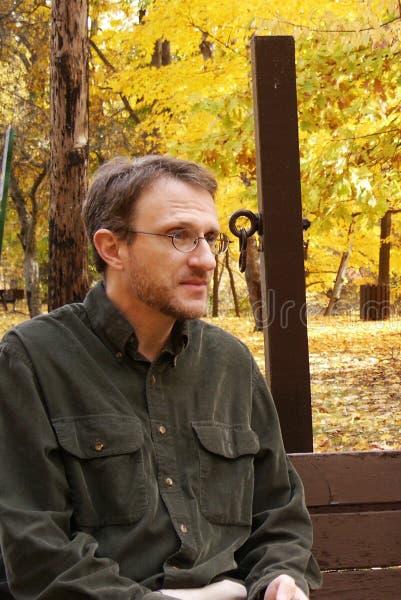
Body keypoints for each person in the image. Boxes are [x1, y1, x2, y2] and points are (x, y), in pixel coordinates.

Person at [0, 156, 321, 599]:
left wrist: (282, 578)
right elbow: (37, 554)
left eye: (210, 238)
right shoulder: (31, 362)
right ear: (112, 247)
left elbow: (277, 514)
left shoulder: (230, 365)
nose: (207, 260)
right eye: (179, 237)